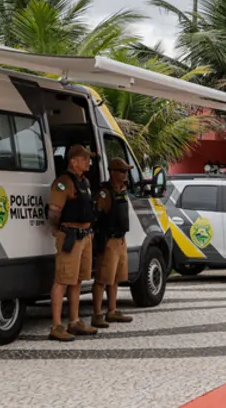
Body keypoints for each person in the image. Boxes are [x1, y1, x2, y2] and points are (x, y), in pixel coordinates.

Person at [45, 144, 99, 341]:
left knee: (77, 279)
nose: (88, 162)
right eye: (84, 159)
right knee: (62, 280)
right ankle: (56, 325)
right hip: (70, 235)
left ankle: (74, 321)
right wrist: (57, 231)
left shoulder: (84, 182)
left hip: (85, 235)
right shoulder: (63, 182)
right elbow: (54, 210)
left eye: (88, 158)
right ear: (73, 161)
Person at [91, 157, 135, 328]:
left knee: (115, 278)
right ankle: (97, 314)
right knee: (102, 278)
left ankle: (112, 310)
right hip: (108, 239)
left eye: (126, 171)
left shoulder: (122, 190)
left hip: (120, 239)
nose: (126, 175)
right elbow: (97, 215)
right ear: (113, 172)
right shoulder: (105, 192)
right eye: (122, 171)